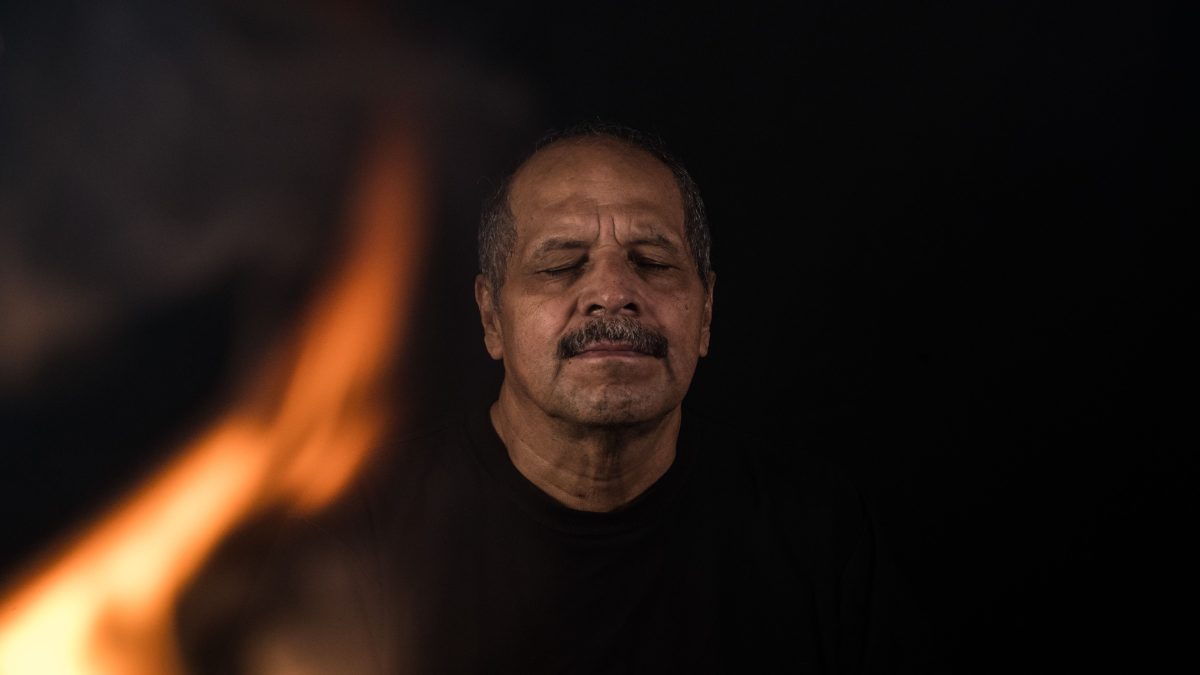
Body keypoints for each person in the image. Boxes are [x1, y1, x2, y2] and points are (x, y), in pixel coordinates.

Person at [179, 123, 903, 674]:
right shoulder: (357, 542)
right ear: (491, 317)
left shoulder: (815, 540)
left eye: (652, 261)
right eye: (561, 265)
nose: (613, 292)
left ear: (706, 312)